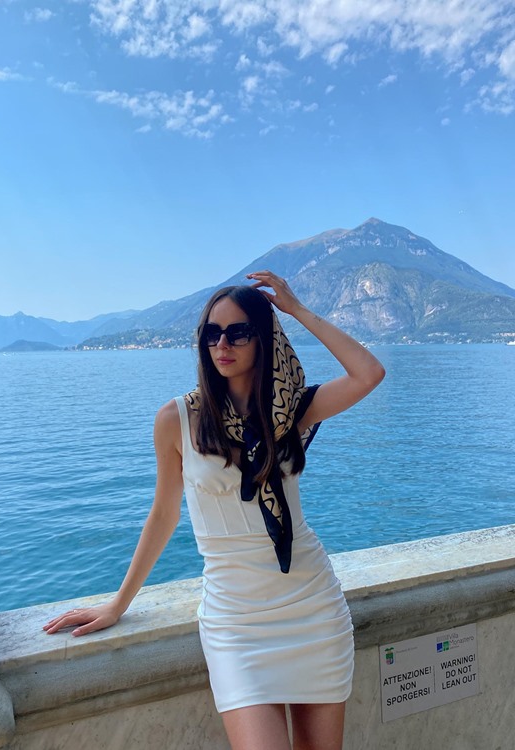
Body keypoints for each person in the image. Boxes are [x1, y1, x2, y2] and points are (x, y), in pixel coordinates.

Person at [44, 271, 385, 750]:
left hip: (312, 610)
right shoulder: (177, 419)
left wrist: (299, 311)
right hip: (236, 624)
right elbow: (164, 514)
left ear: (263, 339)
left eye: (237, 332)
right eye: (210, 332)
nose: (221, 343)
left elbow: (368, 373)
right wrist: (118, 604)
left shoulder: (291, 411)